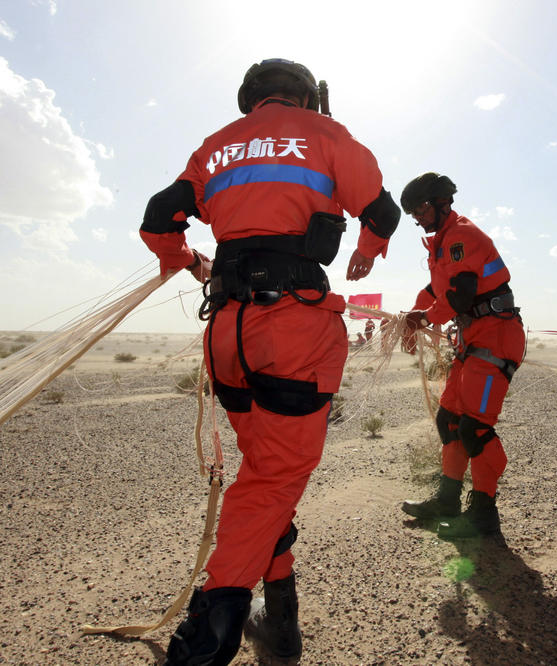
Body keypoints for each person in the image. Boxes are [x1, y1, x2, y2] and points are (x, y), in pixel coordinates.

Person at [139, 58, 400, 664]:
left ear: (250, 99)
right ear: (307, 97)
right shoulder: (329, 135)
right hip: (292, 328)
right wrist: (366, 251)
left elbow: (158, 217)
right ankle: (209, 630)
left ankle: (281, 625)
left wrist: (188, 260)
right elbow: (381, 212)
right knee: (273, 479)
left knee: (262, 470)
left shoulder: (217, 147)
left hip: (226, 331)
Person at [398, 173, 525, 539]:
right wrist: (412, 317)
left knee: (475, 428)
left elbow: (461, 297)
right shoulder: (441, 243)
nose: (417, 218)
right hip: (473, 337)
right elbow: (434, 288)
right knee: (449, 421)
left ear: (441, 202)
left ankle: (484, 513)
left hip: (497, 336)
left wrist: (422, 319)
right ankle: (447, 501)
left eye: (420, 209)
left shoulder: (462, 237)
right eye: (413, 213)